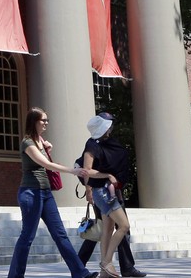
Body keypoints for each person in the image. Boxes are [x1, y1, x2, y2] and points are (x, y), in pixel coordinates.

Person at [8, 107, 91, 278]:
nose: (46, 123)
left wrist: (48, 149)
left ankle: (80, 273)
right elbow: (46, 165)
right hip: (30, 194)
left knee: (60, 234)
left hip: (45, 194)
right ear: (34, 122)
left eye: (47, 120)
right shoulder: (27, 143)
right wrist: (72, 171)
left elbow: (45, 162)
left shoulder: (40, 141)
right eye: (43, 120)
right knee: (27, 237)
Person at [80, 113, 145, 278]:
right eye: (109, 125)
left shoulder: (107, 143)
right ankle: (106, 262)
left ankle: (104, 273)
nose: (111, 128)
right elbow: (87, 170)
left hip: (109, 191)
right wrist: (107, 176)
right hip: (102, 192)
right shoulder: (92, 145)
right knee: (124, 226)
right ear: (104, 127)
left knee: (107, 230)